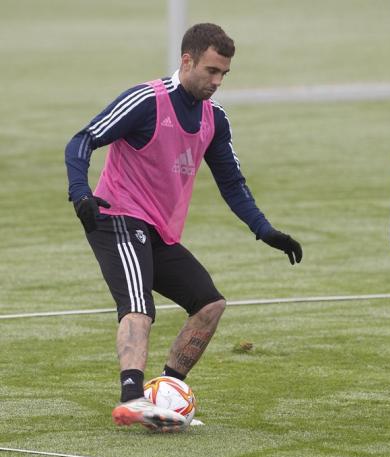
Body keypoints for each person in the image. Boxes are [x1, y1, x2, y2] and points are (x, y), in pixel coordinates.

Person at [65, 23, 302, 430]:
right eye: (211, 71)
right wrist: (80, 193)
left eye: (224, 73)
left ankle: (168, 393)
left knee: (209, 304)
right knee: (139, 307)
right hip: (117, 217)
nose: (217, 81)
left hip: (158, 230)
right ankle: (133, 400)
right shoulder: (146, 101)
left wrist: (265, 230)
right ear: (186, 60)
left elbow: (232, 183)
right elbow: (82, 140)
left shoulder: (214, 119)